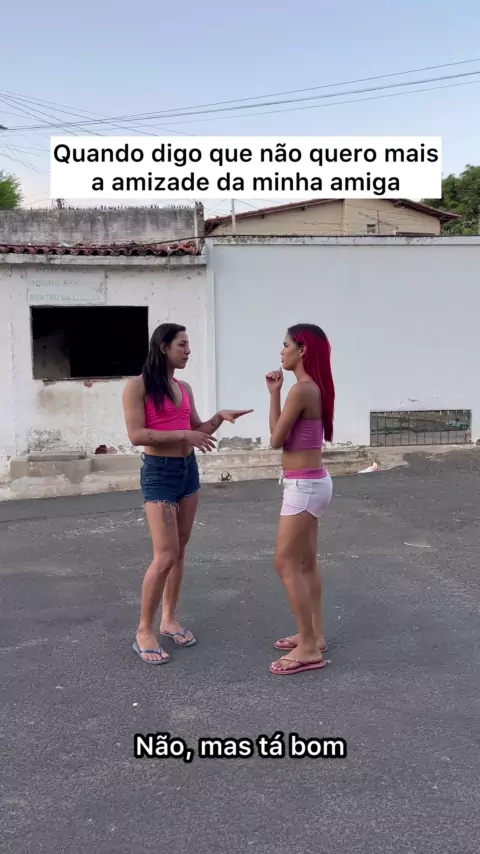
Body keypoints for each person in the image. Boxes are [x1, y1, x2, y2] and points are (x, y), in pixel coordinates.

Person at [123, 322, 252, 664]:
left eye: (188, 344)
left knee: (179, 551)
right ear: (163, 347)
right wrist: (184, 436)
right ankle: (144, 631)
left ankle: (168, 619)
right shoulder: (138, 386)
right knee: (165, 554)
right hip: (159, 473)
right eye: (182, 344)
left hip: (187, 472)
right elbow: (137, 435)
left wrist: (219, 418)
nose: (188, 351)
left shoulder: (184, 388)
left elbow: (196, 430)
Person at [266, 323, 335, 676]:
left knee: (284, 563)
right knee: (306, 563)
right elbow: (279, 434)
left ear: (302, 349)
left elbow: (275, 440)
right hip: (312, 482)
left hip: (304, 487)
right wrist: (275, 392)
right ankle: (315, 636)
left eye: (286, 345)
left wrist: (279, 395)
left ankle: (308, 647)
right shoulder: (308, 388)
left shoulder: (303, 389)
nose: (282, 351)